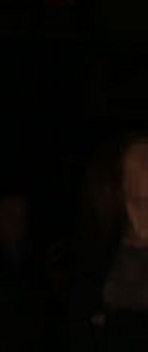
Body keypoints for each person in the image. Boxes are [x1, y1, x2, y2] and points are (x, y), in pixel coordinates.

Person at [70, 132, 148, 351]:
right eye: (145, 161)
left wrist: (114, 323)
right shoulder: (100, 247)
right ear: (121, 179)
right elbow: (80, 320)